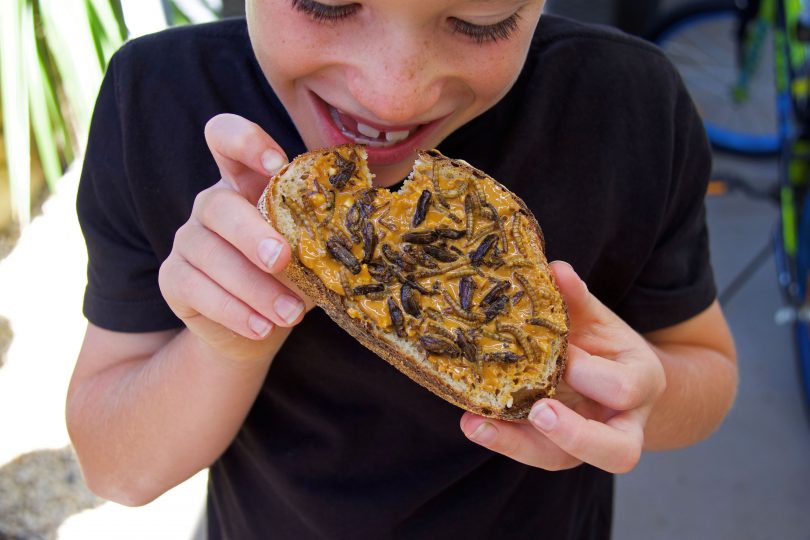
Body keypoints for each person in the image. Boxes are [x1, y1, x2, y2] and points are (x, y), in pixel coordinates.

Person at [66, 1, 738, 538]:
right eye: (325, 4)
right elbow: (116, 468)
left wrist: (640, 399)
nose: (391, 97)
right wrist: (229, 338)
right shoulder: (154, 98)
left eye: (482, 22)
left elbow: (706, 368)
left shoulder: (630, 106)